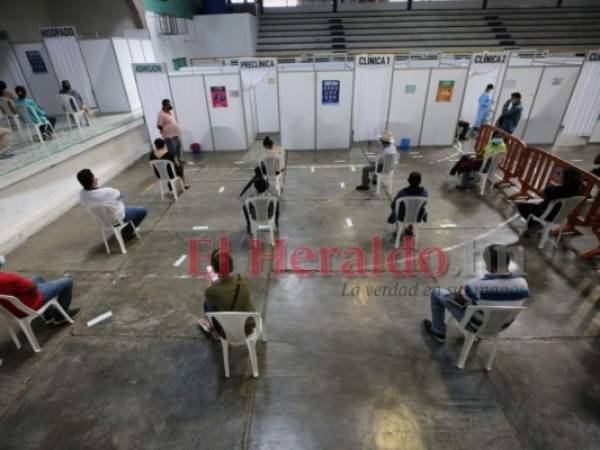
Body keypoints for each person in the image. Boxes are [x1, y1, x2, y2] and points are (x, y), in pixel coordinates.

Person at [423, 244, 529, 343]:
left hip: (476, 325)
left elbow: (458, 300)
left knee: (437, 293)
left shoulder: (477, 286)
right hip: (500, 326)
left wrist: (463, 290)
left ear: (489, 265)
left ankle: (438, 332)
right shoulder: (523, 284)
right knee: (477, 302)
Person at [0, 255, 79, 325]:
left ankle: (49, 315)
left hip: (12, 311)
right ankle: (60, 317)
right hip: (30, 305)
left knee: (38, 278)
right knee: (67, 281)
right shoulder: (9, 278)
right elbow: (33, 287)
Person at [77, 168, 147, 240]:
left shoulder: (82, 195)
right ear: (92, 180)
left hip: (102, 221)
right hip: (118, 218)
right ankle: (126, 232)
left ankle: (126, 230)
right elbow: (122, 194)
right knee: (142, 211)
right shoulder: (107, 191)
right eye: (94, 176)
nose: (96, 178)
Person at [200, 249, 256, 337]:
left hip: (227, 332)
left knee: (207, 304)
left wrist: (209, 284)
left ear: (214, 269)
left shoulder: (211, 291)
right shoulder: (243, 279)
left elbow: (210, 294)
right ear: (231, 265)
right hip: (249, 326)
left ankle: (213, 329)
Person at [516, 167, 583, 231]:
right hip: (561, 216)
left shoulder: (556, 190)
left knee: (520, 206)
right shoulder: (577, 192)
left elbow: (542, 192)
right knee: (532, 204)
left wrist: (555, 184)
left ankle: (533, 224)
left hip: (546, 214)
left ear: (565, 178)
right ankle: (534, 225)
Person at [387, 172, 428, 238]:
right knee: (415, 208)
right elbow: (424, 204)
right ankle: (410, 228)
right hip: (417, 217)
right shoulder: (424, 192)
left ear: (408, 180)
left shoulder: (402, 193)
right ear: (420, 181)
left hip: (402, 217)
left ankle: (399, 230)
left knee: (395, 207)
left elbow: (394, 204)